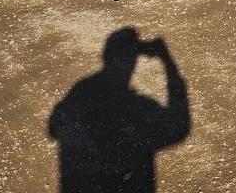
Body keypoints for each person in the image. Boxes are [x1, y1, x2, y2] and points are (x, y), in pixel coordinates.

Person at [48, 28, 190, 192]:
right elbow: (178, 127)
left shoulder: (76, 100)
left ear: (105, 57)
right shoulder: (136, 110)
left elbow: (54, 128)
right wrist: (167, 61)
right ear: (134, 61)